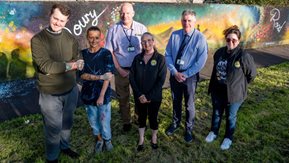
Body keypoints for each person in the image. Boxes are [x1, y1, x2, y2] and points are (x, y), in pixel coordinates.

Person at [31, 4, 82, 162]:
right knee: (53, 129)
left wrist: (77, 62)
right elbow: (46, 66)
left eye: (62, 20)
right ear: (49, 15)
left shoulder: (70, 38)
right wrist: (70, 65)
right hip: (50, 94)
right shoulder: (38, 40)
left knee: (67, 123)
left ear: (67, 21)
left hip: (70, 90)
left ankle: (65, 147)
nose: (58, 23)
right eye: (56, 18)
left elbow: (77, 57)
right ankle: (52, 158)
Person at [205, 25, 257, 150]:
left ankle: (228, 137)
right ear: (225, 40)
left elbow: (252, 74)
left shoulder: (243, 56)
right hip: (218, 91)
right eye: (228, 40)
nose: (231, 42)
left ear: (238, 41)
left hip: (234, 94)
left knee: (230, 116)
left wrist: (239, 86)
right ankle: (214, 132)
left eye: (234, 40)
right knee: (217, 113)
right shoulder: (219, 53)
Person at [164, 10, 208, 143]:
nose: (186, 23)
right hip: (175, 74)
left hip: (190, 77)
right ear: (181, 21)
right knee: (176, 101)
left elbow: (201, 61)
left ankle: (188, 128)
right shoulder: (175, 35)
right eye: (184, 20)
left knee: (189, 104)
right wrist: (174, 72)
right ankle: (175, 123)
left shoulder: (200, 38)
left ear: (194, 22)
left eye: (189, 20)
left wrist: (186, 74)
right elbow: (168, 55)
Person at [105, 2, 147, 132]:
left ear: (133, 13)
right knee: (123, 97)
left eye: (128, 13)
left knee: (140, 96)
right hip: (121, 70)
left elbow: (148, 49)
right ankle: (126, 121)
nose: (125, 15)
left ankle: (139, 117)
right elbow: (109, 52)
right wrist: (119, 69)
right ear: (119, 14)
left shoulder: (142, 28)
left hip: (138, 70)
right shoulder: (113, 30)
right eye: (122, 13)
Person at [129, 32, 167, 151]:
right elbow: (132, 78)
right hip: (139, 97)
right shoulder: (137, 59)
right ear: (141, 44)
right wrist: (140, 95)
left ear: (153, 41)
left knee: (153, 117)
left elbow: (161, 81)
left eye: (149, 40)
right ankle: (141, 138)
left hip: (154, 97)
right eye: (144, 41)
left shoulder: (160, 59)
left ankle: (154, 136)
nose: (147, 43)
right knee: (141, 117)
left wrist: (149, 96)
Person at [79, 26, 114, 153]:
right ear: (87, 37)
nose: (94, 40)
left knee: (104, 119)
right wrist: (98, 76)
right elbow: (82, 75)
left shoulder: (106, 54)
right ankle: (99, 139)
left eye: (96, 38)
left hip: (103, 94)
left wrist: (101, 95)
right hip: (88, 94)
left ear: (101, 38)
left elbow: (108, 76)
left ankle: (107, 139)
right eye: (91, 37)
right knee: (93, 120)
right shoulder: (82, 54)